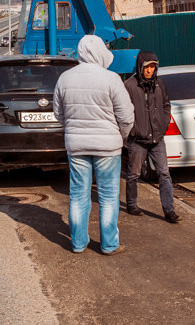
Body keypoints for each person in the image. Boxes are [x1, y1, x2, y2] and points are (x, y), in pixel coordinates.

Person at [53, 35, 135, 255]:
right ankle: (109, 245)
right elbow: (126, 116)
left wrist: (73, 129)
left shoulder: (65, 79)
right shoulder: (111, 79)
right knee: (108, 197)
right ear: (100, 52)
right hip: (108, 147)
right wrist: (122, 137)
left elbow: (58, 114)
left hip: (76, 146)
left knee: (78, 195)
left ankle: (78, 243)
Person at [124, 51, 179, 223]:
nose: (150, 70)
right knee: (134, 174)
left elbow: (166, 105)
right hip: (138, 139)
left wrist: (163, 125)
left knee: (164, 174)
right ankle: (132, 204)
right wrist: (132, 130)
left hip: (157, 139)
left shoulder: (160, 84)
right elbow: (123, 110)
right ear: (140, 67)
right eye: (147, 67)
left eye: (153, 67)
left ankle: (169, 210)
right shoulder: (130, 85)